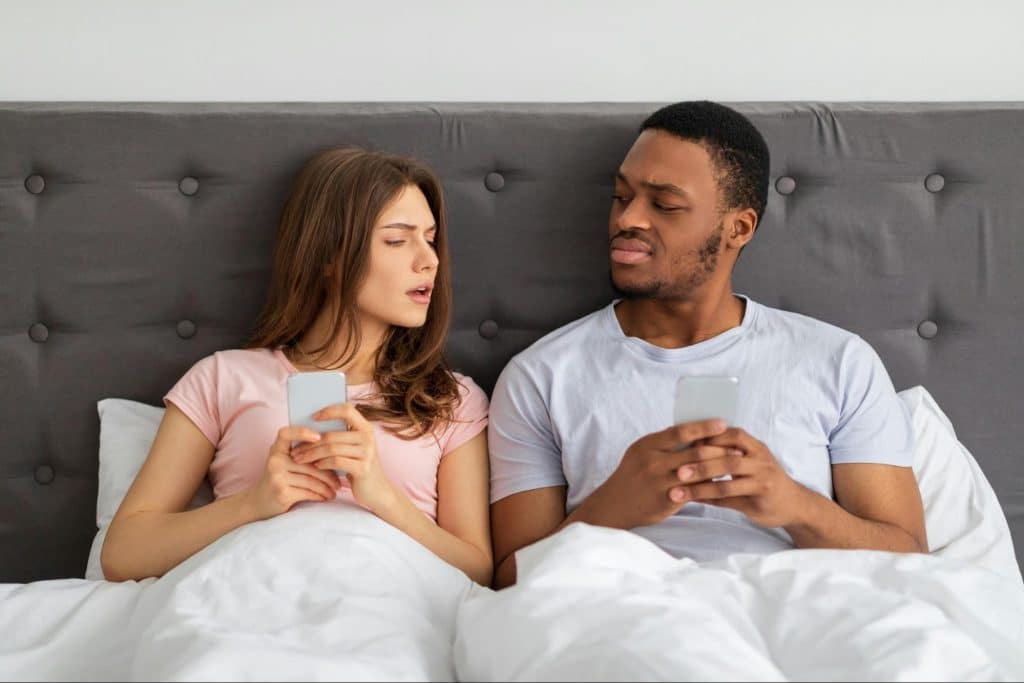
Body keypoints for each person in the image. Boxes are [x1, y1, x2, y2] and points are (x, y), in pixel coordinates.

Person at [488, 101, 927, 589]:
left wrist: (793, 504)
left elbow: (909, 558)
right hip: (622, 618)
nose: (628, 218)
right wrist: (611, 508)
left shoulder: (838, 362)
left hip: (799, 606)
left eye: (665, 204)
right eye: (621, 196)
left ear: (738, 228)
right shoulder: (541, 376)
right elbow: (510, 583)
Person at [102, 147, 492, 585]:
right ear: (329, 257)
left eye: (430, 237)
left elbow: (477, 571)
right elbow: (122, 554)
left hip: (385, 610)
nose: (430, 260)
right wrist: (255, 503)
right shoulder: (223, 378)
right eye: (398, 240)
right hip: (250, 599)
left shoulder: (452, 400)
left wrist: (383, 497)